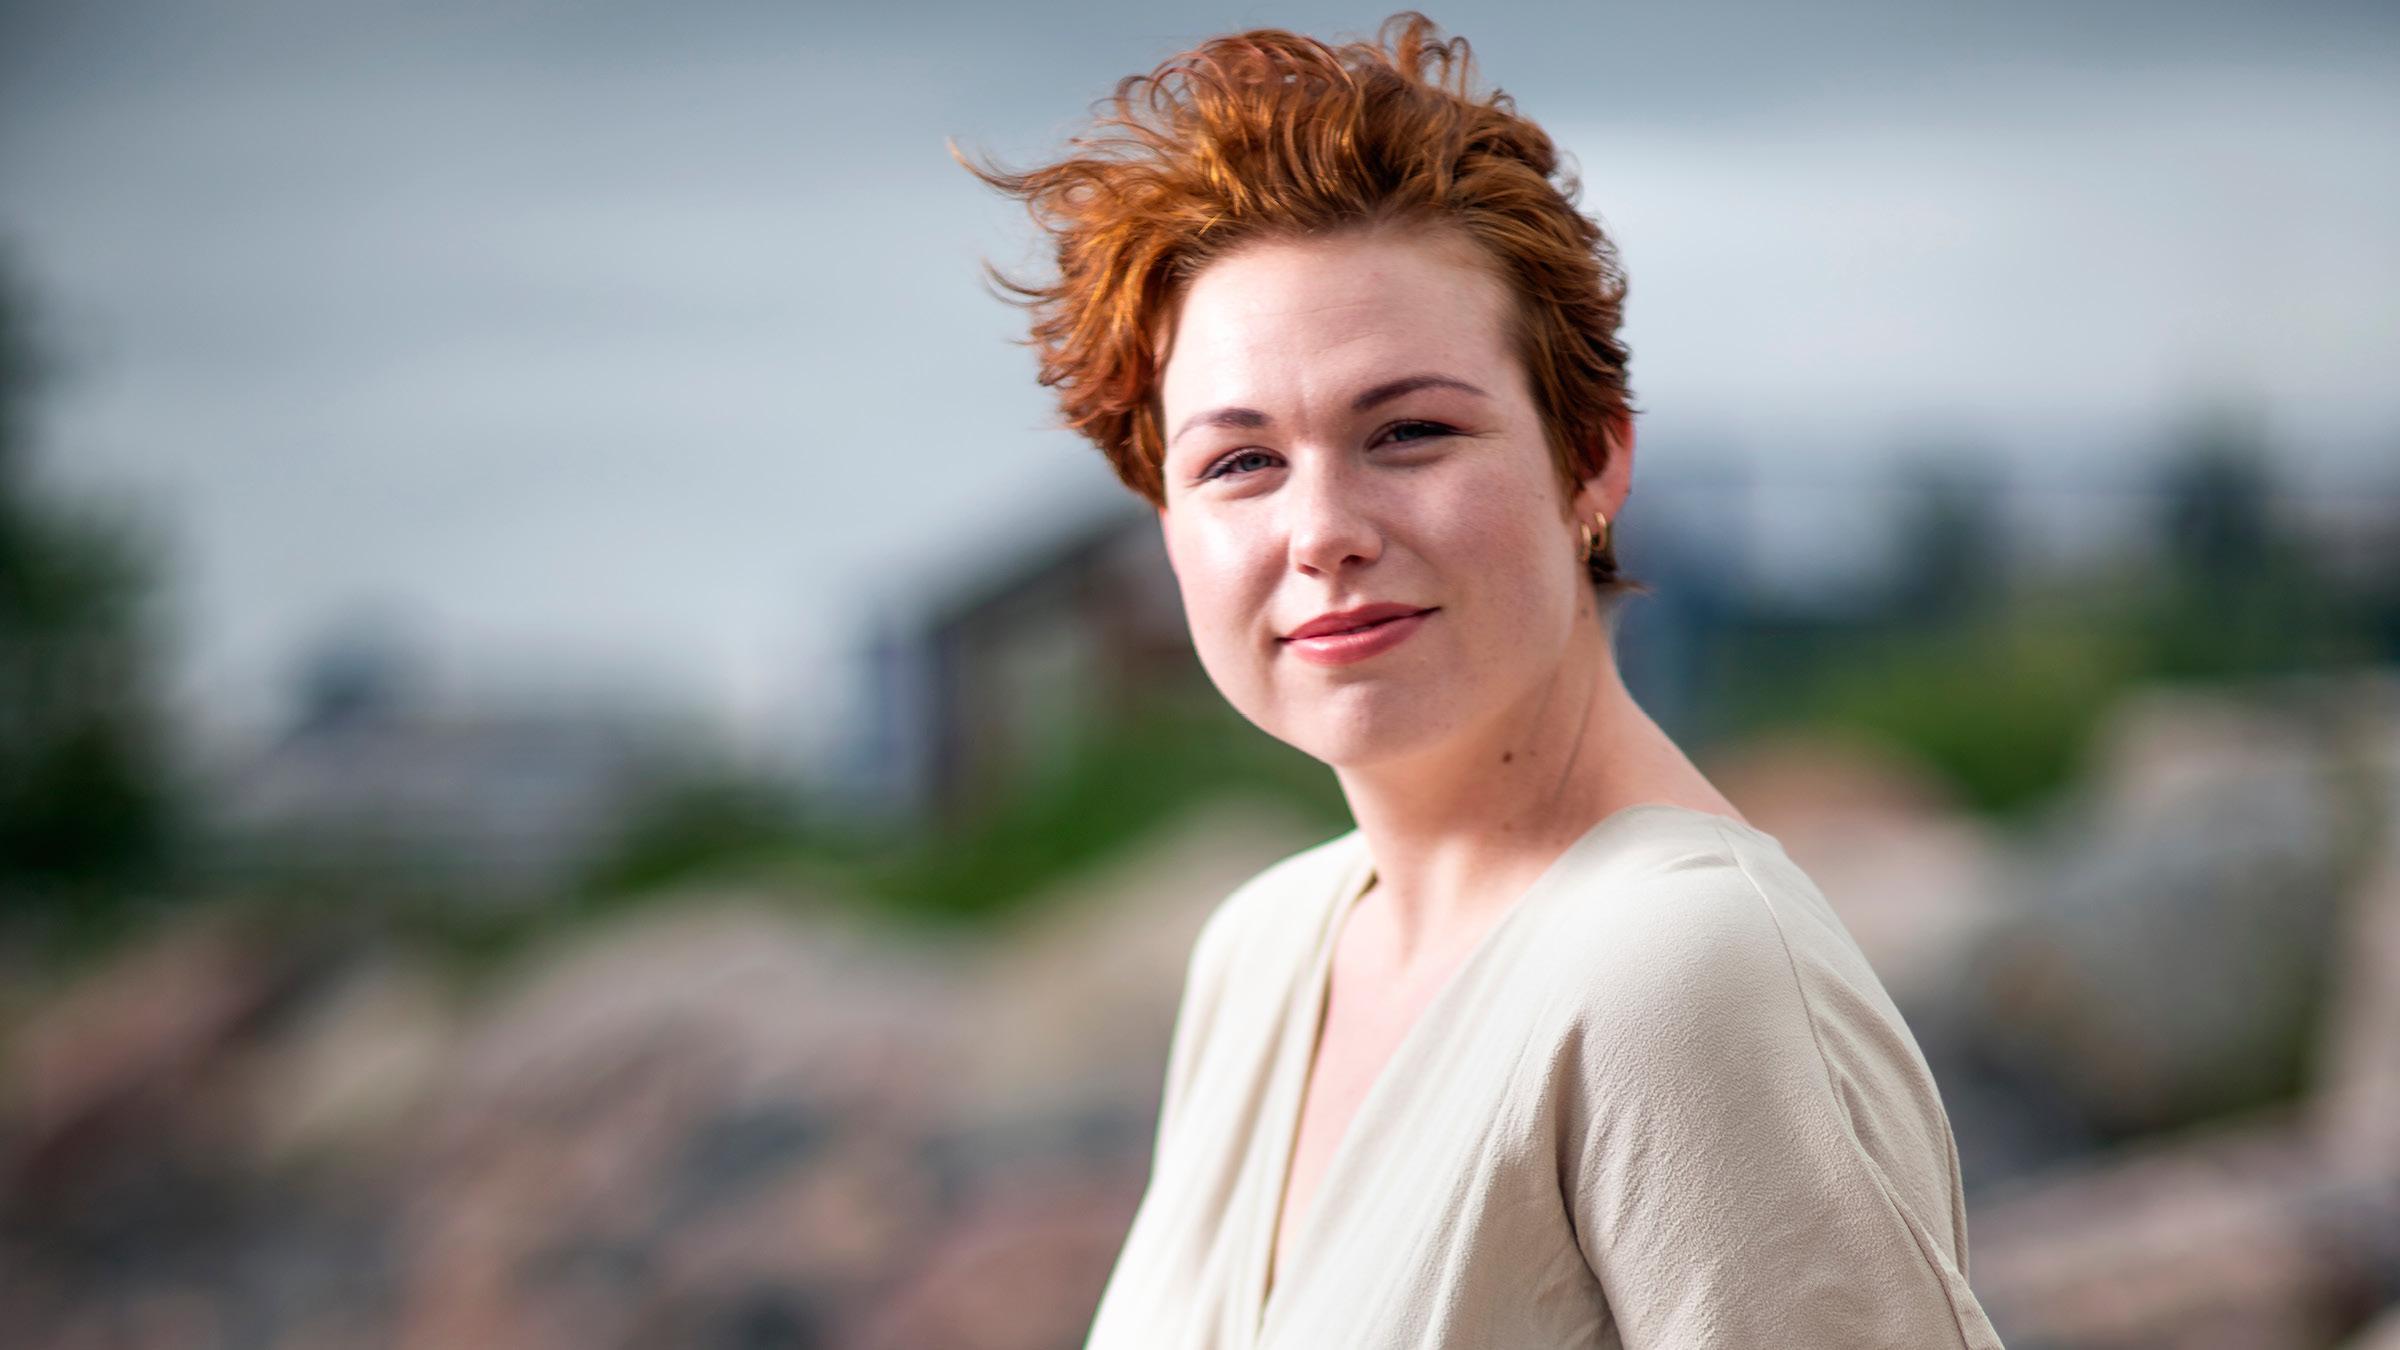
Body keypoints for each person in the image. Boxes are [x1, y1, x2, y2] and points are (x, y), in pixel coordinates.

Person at [959, 13, 2004, 1348]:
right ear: (1166, 524)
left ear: (1593, 460)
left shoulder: (1686, 968)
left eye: (1409, 431)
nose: (1321, 530)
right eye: (1240, 462)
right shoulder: (1265, 948)